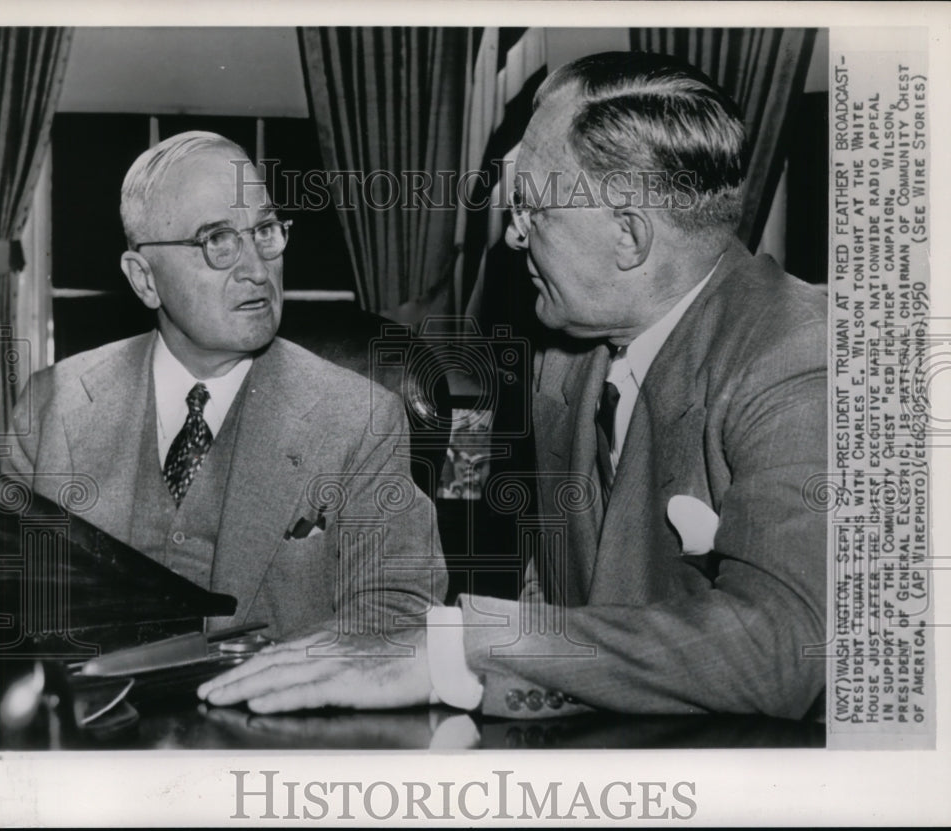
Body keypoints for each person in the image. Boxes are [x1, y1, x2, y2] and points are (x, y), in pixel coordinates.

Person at [198, 52, 827, 720]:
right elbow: (560, 620)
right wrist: (434, 677)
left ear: (630, 236)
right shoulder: (566, 359)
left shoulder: (800, 356)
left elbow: (785, 650)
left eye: (532, 210)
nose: (514, 236)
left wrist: (455, 646)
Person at [0, 131, 447, 641]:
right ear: (144, 279)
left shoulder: (362, 419)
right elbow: (9, 612)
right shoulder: (51, 408)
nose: (257, 270)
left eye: (265, 232)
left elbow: (401, 613)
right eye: (217, 241)